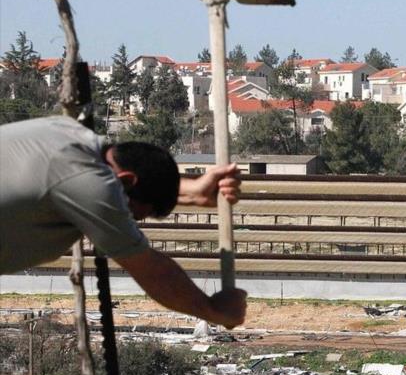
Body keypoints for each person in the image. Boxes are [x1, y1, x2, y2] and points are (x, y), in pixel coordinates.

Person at [0, 115, 247, 329]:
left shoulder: (67, 132)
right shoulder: (93, 186)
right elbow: (151, 270)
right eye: (131, 215)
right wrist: (214, 310)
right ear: (127, 180)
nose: (124, 219)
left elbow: (89, 182)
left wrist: (191, 191)